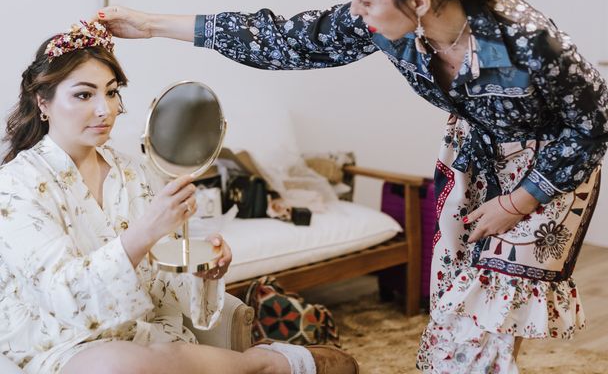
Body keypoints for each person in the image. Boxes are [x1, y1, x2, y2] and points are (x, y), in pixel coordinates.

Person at [96, 0, 608, 372]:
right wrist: (151, 25)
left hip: (550, 173)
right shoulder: (385, 23)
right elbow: (285, 39)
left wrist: (517, 201)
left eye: (365, 0)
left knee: (492, 312)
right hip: (474, 158)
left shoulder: (525, 38)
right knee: (454, 307)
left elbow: (596, 124)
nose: (355, 12)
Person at [0, 21, 359, 374]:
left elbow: (163, 284)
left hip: (143, 336)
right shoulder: (15, 184)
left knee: (135, 358)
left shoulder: (135, 172)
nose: (105, 110)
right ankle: (262, 363)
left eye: (111, 92)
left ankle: (269, 362)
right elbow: (60, 295)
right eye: (83, 94)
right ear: (43, 103)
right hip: (58, 343)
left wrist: (204, 270)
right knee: (113, 366)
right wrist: (146, 230)